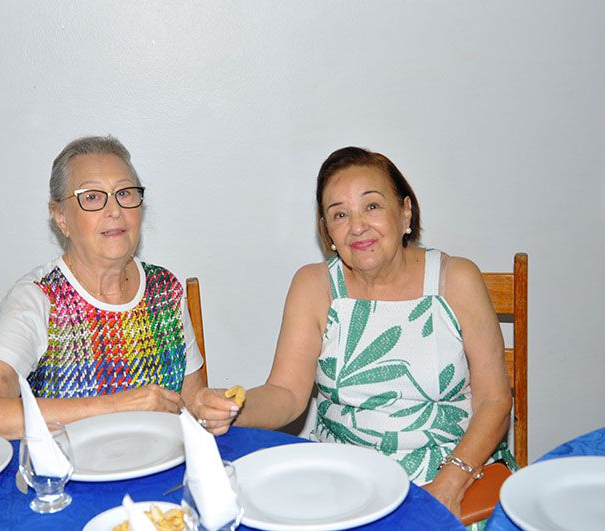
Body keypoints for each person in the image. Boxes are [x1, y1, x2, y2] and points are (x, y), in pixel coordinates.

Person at [193, 147, 515, 518]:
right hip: (344, 484)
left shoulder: (456, 278)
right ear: (327, 231)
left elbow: (494, 400)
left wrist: (449, 484)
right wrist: (232, 408)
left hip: (455, 475)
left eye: (372, 206)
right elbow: (287, 393)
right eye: (340, 214)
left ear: (405, 212)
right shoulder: (313, 285)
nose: (357, 226)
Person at [0, 135, 205, 439]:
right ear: (61, 217)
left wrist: (211, 411)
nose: (115, 210)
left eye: (124, 193)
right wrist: (117, 406)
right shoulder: (39, 298)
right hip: (71, 469)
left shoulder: (164, 290)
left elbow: (193, 411)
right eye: (93, 197)